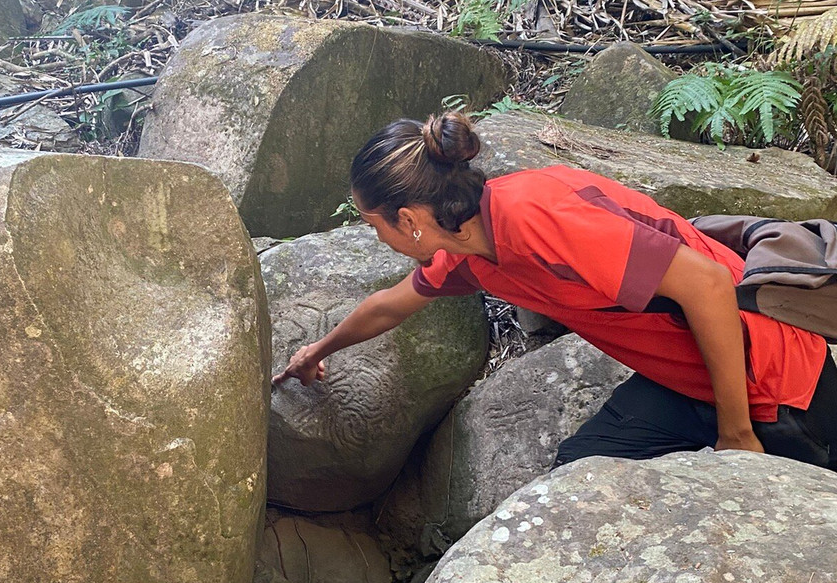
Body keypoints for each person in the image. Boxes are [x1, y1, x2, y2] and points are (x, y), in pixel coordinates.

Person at [272, 112, 837, 471]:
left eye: (375, 225)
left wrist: (736, 436)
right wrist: (315, 353)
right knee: (582, 470)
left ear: (409, 219)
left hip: (775, 384)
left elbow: (708, 283)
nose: (380, 239)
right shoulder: (472, 250)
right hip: (693, 378)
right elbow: (391, 305)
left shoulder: (533, 217)